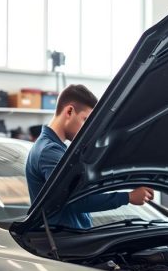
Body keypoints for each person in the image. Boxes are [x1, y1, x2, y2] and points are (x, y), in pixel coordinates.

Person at [26, 84, 153, 228]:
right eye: (85, 120)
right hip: (63, 243)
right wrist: (128, 197)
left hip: (71, 238)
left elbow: (81, 190)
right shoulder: (49, 151)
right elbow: (76, 201)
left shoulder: (57, 149)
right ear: (69, 111)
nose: (88, 130)